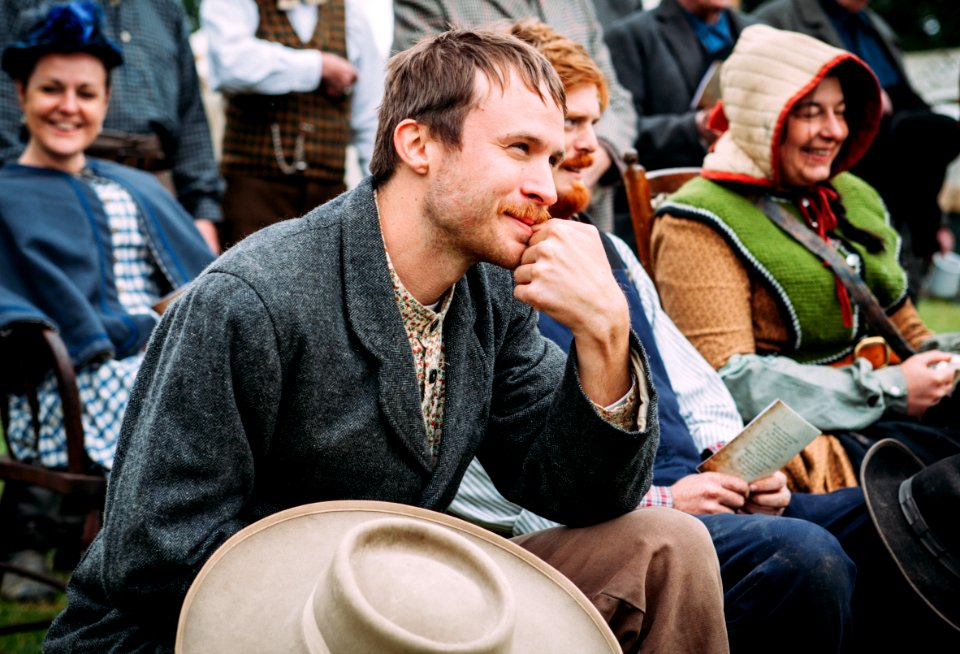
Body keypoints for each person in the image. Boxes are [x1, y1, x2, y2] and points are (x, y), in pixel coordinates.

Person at [44, 28, 728, 653]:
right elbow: (153, 552)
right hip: (209, 625)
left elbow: (578, 494)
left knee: (667, 544)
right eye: (519, 149)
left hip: (408, 592)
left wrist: (606, 336)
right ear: (418, 144)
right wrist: (387, 603)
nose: (546, 187)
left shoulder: (489, 291)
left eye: (552, 156)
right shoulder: (249, 300)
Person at [451, 18, 952, 652]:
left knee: (924, 508)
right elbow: (499, 480)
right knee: (808, 555)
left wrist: (741, 466)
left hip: (710, 490)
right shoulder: (476, 271)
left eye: (586, 129)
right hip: (624, 521)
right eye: (549, 139)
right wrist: (665, 500)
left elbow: (699, 389)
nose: (585, 150)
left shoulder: (608, 249)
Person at [652, 25, 960, 478]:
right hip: (804, 449)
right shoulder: (694, 220)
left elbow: (903, 327)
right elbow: (727, 380)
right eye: (810, 113)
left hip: (888, 417)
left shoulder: (851, 195)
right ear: (764, 116)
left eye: (840, 111)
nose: (834, 131)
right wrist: (888, 389)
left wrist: (944, 357)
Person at [0, 1, 215, 600]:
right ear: (20, 91)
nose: (70, 106)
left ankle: (224, 555)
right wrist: (150, 323)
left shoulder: (134, 184)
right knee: (192, 406)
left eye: (87, 94)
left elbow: (209, 280)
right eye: (52, 89)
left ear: (104, 100)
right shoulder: (8, 196)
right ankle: (165, 570)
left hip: (164, 356)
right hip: (72, 384)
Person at [752, 0, 960, 297]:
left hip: (897, 197)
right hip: (837, 182)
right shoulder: (779, 18)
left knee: (898, 299)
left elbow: (920, 123)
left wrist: (934, 223)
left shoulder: (876, 27)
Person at [392, 0, 637, 233]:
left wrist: (589, 155)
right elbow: (426, 99)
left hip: (586, 212)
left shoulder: (576, 4)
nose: (589, 143)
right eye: (570, 120)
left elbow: (615, 98)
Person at [0, 0, 224, 254]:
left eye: (86, 94)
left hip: (155, 193)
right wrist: (19, 194)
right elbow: (4, 106)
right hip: (51, 183)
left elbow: (191, 118)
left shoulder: (166, 8)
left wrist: (201, 214)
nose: (70, 104)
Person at [201, 0, 383, 249]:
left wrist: (380, 194)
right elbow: (230, 64)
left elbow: (370, 117)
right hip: (253, 194)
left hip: (329, 197)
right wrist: (317, 66)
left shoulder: (351, 12)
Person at [604, 0, 754, 171]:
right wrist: (696, 127)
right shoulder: (629, 36)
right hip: (668, 186)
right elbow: (619, 129)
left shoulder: (758, 31)